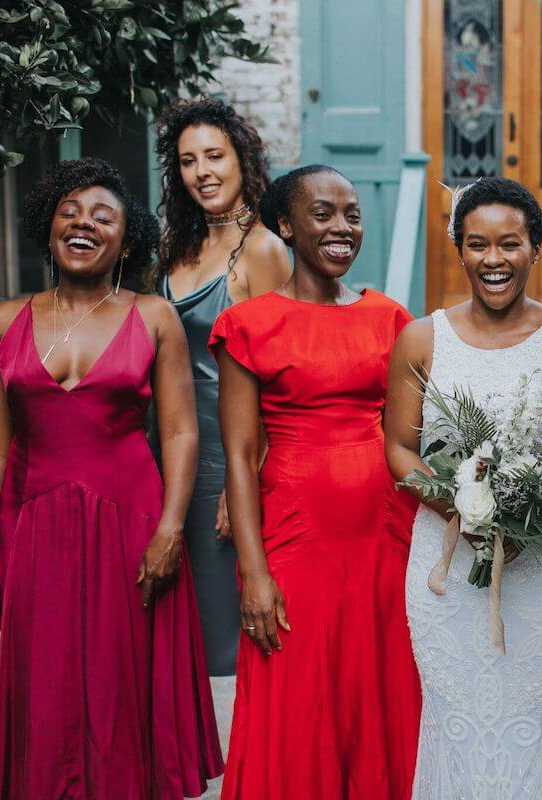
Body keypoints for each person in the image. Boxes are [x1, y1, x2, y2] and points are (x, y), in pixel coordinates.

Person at [0, 157, 222, 799]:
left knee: (121, 685)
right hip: (34, 531)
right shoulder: (3, 321)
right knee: (43, 689)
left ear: (126, 239)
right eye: (69, 214)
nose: (83, 225)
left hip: (131, 528)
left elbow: (181, 432)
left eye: (102, 217)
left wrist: (170, 531)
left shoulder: (154, 316)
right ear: (47, 229)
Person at [386, 177, 542, 799]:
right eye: (477, 244)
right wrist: (468, 513)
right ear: (458, 250)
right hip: (447, 567)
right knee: (457, 721)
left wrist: (531, 516)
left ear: (535, 250)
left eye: (510, 244)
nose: (494, 260)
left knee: (535, 723)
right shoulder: (420, 339)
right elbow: (399, 449)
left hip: (540, 575)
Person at [212, 165, 421, 799]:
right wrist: (253, 573)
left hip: (385, 540)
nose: (342, 228)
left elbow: (413, 436)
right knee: (298, 701)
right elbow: (241, 456)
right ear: (285, 225)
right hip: (296, 542)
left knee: (380, 694)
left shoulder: (390, 319)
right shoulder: (250, 326)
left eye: (352, 214)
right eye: (323, 213)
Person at [153, 98, 290, 676]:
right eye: (188, 161)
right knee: (168, 633)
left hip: (224, 461)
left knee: (224, 645)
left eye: (214, 156)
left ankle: (242, 766)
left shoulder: (263, 249)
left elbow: (280, 382)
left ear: (243, 161)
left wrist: (244, 485)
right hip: (162, 453)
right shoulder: (177, 245)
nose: (202, 172)